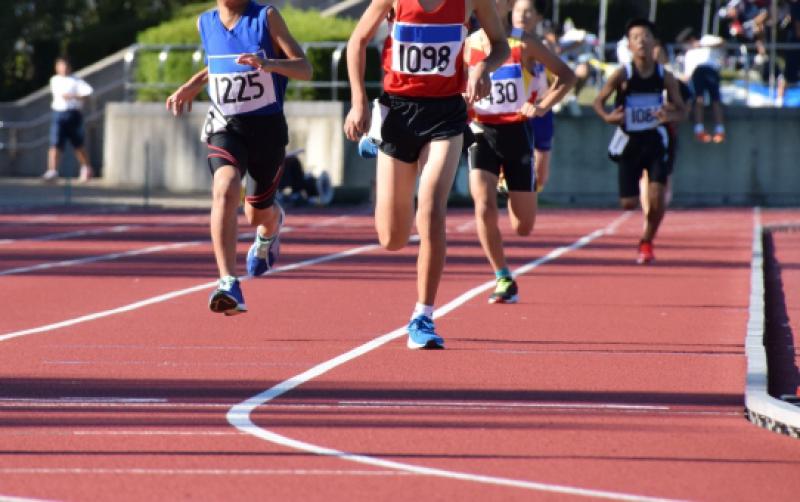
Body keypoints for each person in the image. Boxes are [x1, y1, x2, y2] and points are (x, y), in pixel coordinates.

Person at [344, 0, 509, 349]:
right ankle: (376, 135)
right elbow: (357, 40)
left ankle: (423, 315)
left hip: (446, 114)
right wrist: (359, 100)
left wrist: (481, 68)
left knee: (432, 208)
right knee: (392, 238)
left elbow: (500, 44)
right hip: (399, 112)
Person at [165, 0, 312, 315]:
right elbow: (221, 64)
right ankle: (227, 281)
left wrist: (269, 64)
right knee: (225, 188)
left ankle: (271, 226)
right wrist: (193, 85)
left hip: (267, 131)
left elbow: (305, 68)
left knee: (256, 214)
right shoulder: (205, 22)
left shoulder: (266, 17)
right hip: (226, 126)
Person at [467, 0, 574, 303]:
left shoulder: (523, 43)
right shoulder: (468, 44)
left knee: (523, 227)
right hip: (480, 131)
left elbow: (567, 76)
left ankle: (508, 181)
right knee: (483, 204)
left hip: (516, 134)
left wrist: (541, 106)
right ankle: (502, 276)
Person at [592, 18, 685, 265]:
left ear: (655, 43)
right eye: (635, 38)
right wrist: (608, 117)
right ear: (629, 45)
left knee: (656, 197)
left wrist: (669, 115)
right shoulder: (623, 74)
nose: (641, 41)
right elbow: (598, 102)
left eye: (646, 37)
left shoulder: (664, 76)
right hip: (630, 142)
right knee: (629, 203)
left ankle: (646, 241)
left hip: (656, 140)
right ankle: (642, 224)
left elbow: (682, 110)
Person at [510, 0, 559, 192]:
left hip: (540, 112)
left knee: (541, 173)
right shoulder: (503, 42)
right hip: (513, 112)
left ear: (538, 17)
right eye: (518, 11)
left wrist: (545, 100)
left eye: (528, 11)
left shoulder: (544, 45)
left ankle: (529, 198)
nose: (522, 16)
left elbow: (560, 79)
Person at [42, 57, 95, 183]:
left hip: (73, 114)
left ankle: (86, 167)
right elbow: (60, 94)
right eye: (60, 66)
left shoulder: (76, 80)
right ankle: (52, 170)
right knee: (55, 143)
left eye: (65, 66)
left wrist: (73, 96)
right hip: (58, 114)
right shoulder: (54, 80)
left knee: (78, 144)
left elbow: (88, 94)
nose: (63, 68)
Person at [676, 28, 726, 143]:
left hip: (711, 70)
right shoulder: (689, 54)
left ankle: (720, 130)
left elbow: (722, 42)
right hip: (697, 73)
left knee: (716, 100)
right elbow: (687, 74)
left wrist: (702, 44)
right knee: (699, 99)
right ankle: (699, 130)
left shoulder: (706, 39)